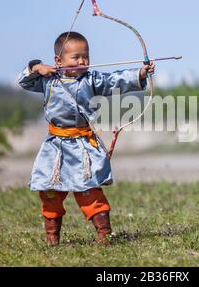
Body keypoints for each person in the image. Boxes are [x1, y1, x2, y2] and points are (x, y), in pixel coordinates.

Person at [17, 31, 155, 246]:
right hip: (56, 147)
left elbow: (114, 80)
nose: (82, 61)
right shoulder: (47, 79)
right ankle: (52, 238)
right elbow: (24, 81)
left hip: (83, 145)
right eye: (76, 57)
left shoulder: (92, 79)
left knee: (89, 189)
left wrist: (140, 73)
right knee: (50, 192)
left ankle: (104, 233)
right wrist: (36, 66)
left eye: (86, 56)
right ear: (58, 60)